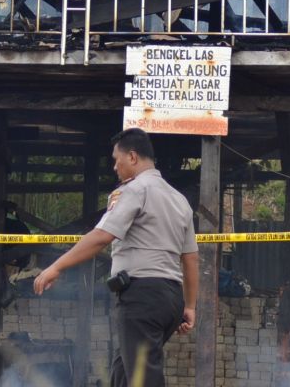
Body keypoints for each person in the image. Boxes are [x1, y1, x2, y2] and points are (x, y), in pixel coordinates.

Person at [33, 127, 198, 387]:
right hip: (171, 300)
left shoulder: (134, 190)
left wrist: (56, 266)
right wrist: (189, 306)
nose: (114, 167)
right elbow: (190, 259)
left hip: (142, 296)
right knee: (124, 371)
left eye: (116, 159)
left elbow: (101, 236)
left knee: (142, 377)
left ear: (132, 157)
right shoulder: (180, 200)